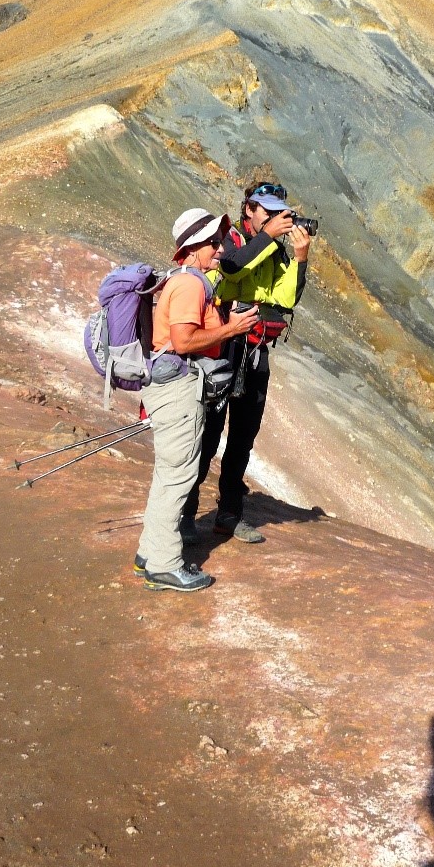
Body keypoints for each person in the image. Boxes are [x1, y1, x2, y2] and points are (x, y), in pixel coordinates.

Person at [134, 209, 259, 591]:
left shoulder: (185, 280)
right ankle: (164, 565)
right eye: (213, 243)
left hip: (171, 385)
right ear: (193, 247)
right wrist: (232, 328)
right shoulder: (190, 285)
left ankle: (150, 553)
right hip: (177, 389)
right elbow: (185, 341)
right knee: (179, 476)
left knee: (169, 473)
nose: (220, 249)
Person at [180, 182, 311, 544]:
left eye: (276, 213)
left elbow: (286, 298)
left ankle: (229, 515)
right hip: (221, 348)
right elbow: (233, 269)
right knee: (205, 436)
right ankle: (185, 514)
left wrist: (300, 259)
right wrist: (268, 237)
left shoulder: (276, 252)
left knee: (242, 438)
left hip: (254, 352)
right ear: (248, 210)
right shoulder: (228, 242)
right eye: (265, 212)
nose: (273, 219)